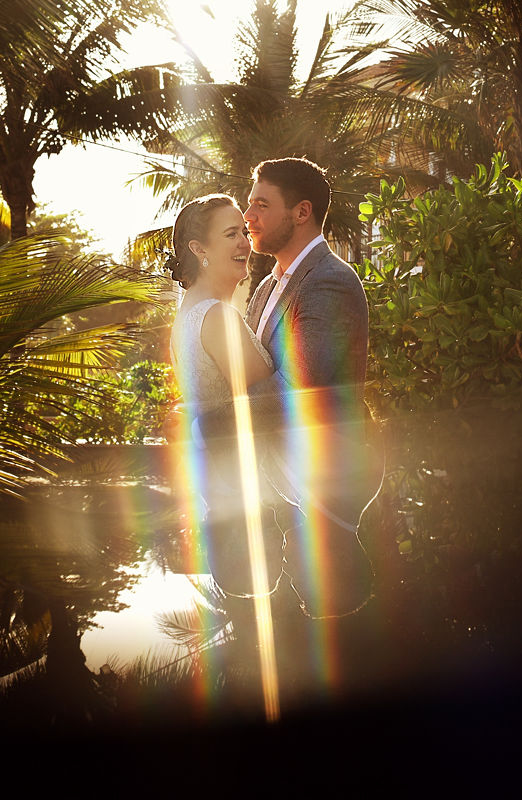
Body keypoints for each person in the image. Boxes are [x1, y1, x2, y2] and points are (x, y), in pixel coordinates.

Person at [204, 157, 382, 620]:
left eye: (262, 205)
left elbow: (295, 393)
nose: (249, 218)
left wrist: (212, 416)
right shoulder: (267, 286)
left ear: (301, 213)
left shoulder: (330, 281)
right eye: (249, 205)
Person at [166, 193, 285, 599]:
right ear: (199, 250)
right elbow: (276, 397)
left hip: (225, 496)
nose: (244, 243)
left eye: (245, 233)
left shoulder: (189, 315)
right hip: (248, 506)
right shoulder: (216, 318)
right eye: (231, 234)